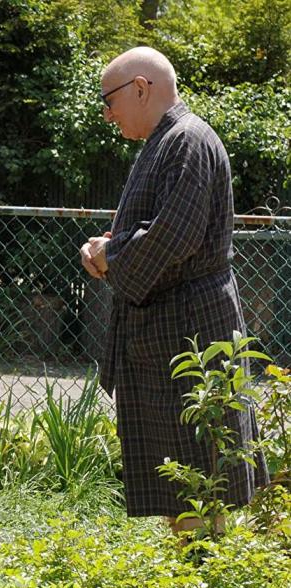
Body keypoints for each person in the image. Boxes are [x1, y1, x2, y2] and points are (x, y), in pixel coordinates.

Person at [79, 47, 269, 533]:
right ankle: (192, 583)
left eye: (110, 99)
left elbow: (172, 237)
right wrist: (110, 246)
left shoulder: (187, 139)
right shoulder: (166, 141)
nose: (108, 112)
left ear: (141, 88)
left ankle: (203, 587)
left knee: (200, 471)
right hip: (173, 327)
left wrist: (109, 258)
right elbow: (156, 229)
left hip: (191, 332)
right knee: (182, 471)